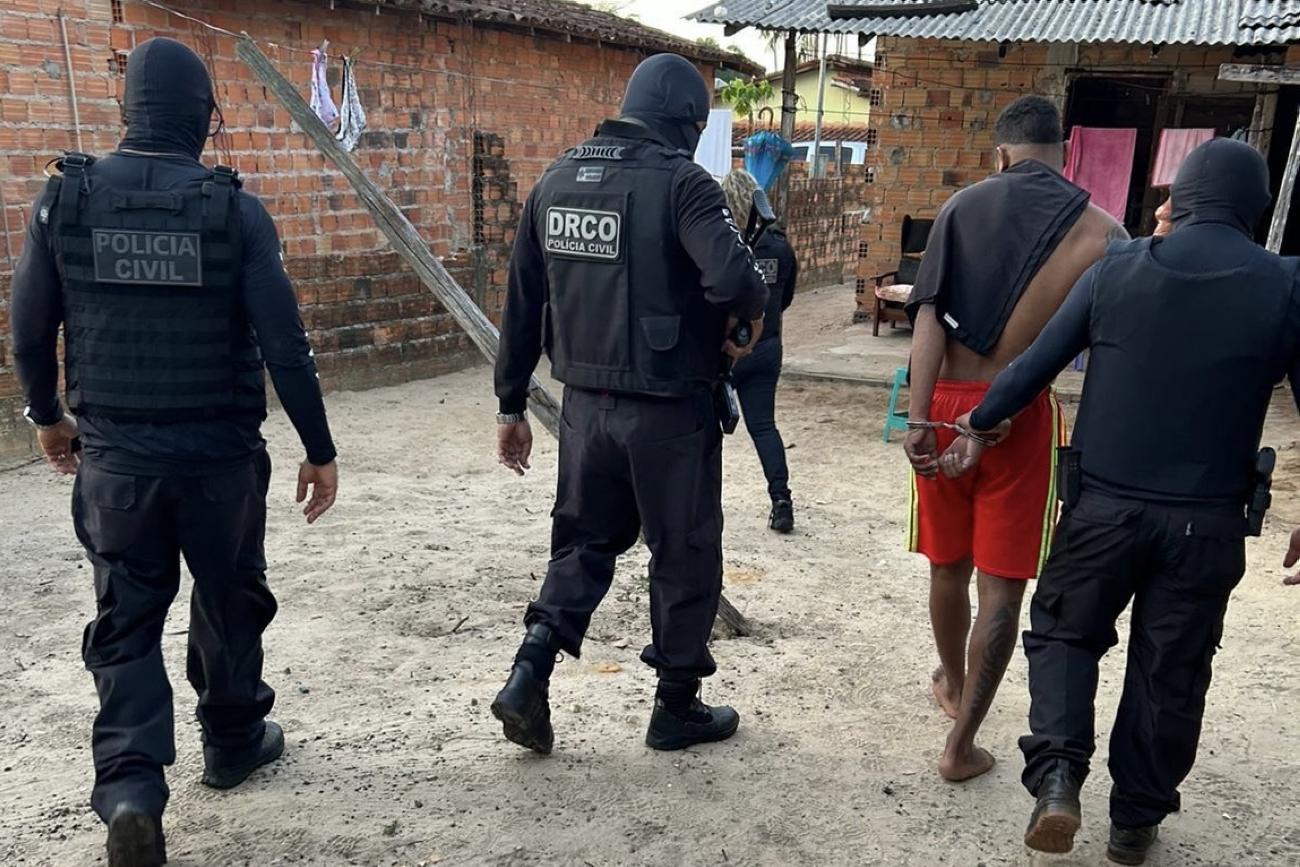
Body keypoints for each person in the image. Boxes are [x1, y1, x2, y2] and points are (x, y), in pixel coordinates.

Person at [9, 38, 339, 867]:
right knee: (229, 597)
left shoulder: (63, 201)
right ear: (203, 116)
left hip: (117, 464)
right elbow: (285, 344)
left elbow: (29, 327)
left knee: (125, 617)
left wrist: (47, 416)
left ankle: (130, 789)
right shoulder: (235, 211)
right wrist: (319, 447)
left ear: (128, 110)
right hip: (221, 462)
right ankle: (232, 741)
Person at [947, 138, 1300, 865]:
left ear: (1182, 198)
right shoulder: (1286, 285)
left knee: (1065, 636)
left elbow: (1032, 368)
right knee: (1172, 665)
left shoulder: (1118, 268)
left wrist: (979, 424)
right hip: (1206, 523)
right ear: (1255, 208)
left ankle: (1057, 778)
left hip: (1102, 512)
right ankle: (1135, 822)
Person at [491, 53, 768, 755]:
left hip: (584, 409)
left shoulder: (555, 180)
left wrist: (510, 405)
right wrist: (737, 321)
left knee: (582, 543)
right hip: (669, 411)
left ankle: (530, 671)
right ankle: (676, 706)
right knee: (684, 549)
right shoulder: (683, 182)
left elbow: (522, 304)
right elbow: (738, 280)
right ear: (686, 122)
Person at [902, 95, 1126, 782]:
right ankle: (961, 743)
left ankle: (950, 681)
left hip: (945, 402)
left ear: (1001, 154)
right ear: (1065, 154)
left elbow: (929, 316)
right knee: (1002, 585)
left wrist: (917, 418)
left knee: (947, 565)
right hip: (1018, 416)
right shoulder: (1103, 232)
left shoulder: (960, 208)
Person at [721, 168, 799, 533]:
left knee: (704, 427)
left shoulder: (723, 242)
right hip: (767, 343)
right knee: (764, 426)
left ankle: (698, 499)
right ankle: (781, 500)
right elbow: (787, 296)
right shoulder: (780, 244)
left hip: (725, 348)